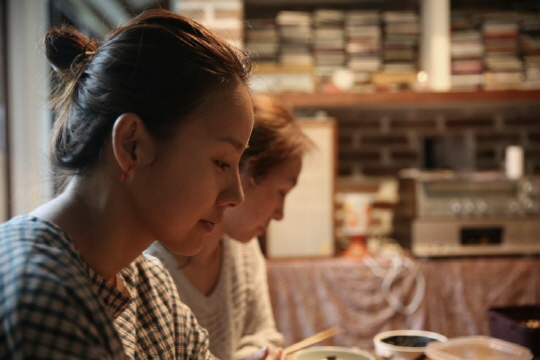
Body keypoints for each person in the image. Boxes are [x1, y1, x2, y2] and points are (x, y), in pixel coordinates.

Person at [0, 9, 255, 360]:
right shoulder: (42, 290)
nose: (235, 197)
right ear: (131, 145)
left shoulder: (148, 281)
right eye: (221, 163)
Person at [146, 94, 313, 360]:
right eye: (281, 192)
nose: (280, 214)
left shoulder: (243, 250)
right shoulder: (149, 263)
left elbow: (261, 334)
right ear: (242, 171)